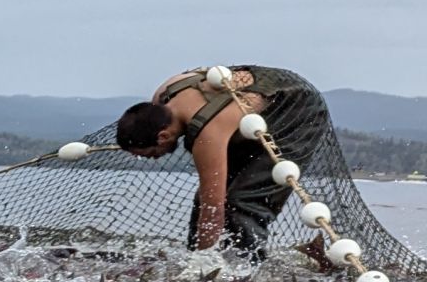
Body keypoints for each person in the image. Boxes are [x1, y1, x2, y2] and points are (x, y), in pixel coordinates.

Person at [114, 65, 333, 256]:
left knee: (242, 203)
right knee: (205, 197)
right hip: (250, 114)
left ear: (163, 136)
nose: (153, 159)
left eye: (151, 154)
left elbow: (213, 207)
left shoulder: (208, 135)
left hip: (297, 112)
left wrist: (203, 261)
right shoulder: (164, 95)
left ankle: (249, 265)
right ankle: (204, 254)